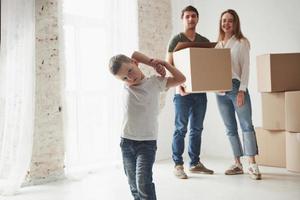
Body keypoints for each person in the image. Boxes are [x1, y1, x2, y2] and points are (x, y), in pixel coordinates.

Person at [108, 51, 185, 199]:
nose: (130, 77)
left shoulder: (155, 82)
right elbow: (134, 57)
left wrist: (161, 64)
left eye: (130, 70)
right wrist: (134, 70)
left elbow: (181, 78)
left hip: (146, 144)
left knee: (143, 182)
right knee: (133, 184)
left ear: (134, 62)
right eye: (125, 77)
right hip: (126, 142)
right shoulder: (127, 86)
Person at [166, 5, 214, 179]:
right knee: (181, 129)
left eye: (193, 16)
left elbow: (209, 66)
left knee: (197, 129)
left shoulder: (204, 41)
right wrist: (178, 85)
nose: (190, 19)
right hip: (182, 92)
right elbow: (168, 64)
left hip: (200, 93)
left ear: (197, 18)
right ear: (182, 19)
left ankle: (194, 163)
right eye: (187, 16)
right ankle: (178, 165)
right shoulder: (176, 40)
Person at [215, 9, 261, 180]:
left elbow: (246, 69)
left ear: (235, 23)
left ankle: (252, 164)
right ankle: (237, 163)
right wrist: (214, 86)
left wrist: (242, 90)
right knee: (230, 129)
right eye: (223, 20)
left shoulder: (241, 43)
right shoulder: (218, 45)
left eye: (230, 20)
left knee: (246, 125)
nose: (226, 23)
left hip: (235, 88)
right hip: (220, 91)